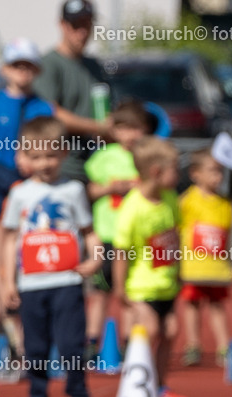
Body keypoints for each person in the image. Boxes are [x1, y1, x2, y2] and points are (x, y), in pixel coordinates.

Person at [0, 116, 100, 397]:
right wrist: (6, 281)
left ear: (64, 153)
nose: (44, 163)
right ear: (25, 156)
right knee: (36, 347)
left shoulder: (73, 190)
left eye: (51, 155)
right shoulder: (20, 194)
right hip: (31, 284)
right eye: (37, 156)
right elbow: (9, 238)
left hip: (67, 282)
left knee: (72, 345)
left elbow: (88, 231)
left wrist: (96, 259)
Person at [0, 38, 53, 317]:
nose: (22, 71)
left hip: (33, 188)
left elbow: (51, 148)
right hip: (0, 189)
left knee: (30, 254)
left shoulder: (43, 108)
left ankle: (30, 325)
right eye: (16, 65)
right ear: (5, 69)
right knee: (4, 259)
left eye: (28, 65)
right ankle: (6, 332)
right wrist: (9, 180)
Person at [112, 136, 187, 397]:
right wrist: (120, 288)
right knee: (151, 329)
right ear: (156, 172)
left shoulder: (169, 200)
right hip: (142, 286)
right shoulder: (132, 208)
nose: (179, 175)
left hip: (166, 284)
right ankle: (135, 379)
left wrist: (179, 269)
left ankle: (160, 385)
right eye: (174, 169)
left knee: (170, 332)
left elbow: (174, 236)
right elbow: (121, 251)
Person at [83, 99, 150, 359]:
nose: (130, 135)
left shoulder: (146, 156)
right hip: (107, 233)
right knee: (100, 292)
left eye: (136, 128)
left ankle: (129, 343)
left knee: (130, 292)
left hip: (135, 237)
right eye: (124, 128)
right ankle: (91, 343)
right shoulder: (104, 157)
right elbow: (89, 190)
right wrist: (111, 188)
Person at [34, 0, 109, 182]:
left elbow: (105, 111)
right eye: (76, 25)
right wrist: (98, 127)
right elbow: (51, 113)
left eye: (87, 24)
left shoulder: (94, 66)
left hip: (97, 164)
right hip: (64, 166)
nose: (82, 32)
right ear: (62, 25)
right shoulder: (49, 64)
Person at [178, 149, 232, 367]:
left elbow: (226, 235)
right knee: (192, 305)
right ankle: (193, 345)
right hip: (193, 268)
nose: (217, 177)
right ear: (195, 174)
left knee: (217, 305)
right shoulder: (187, 201)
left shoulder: (225, 203)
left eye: (220, 171)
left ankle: (224, 347)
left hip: (216, 268)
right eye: (212, 171)